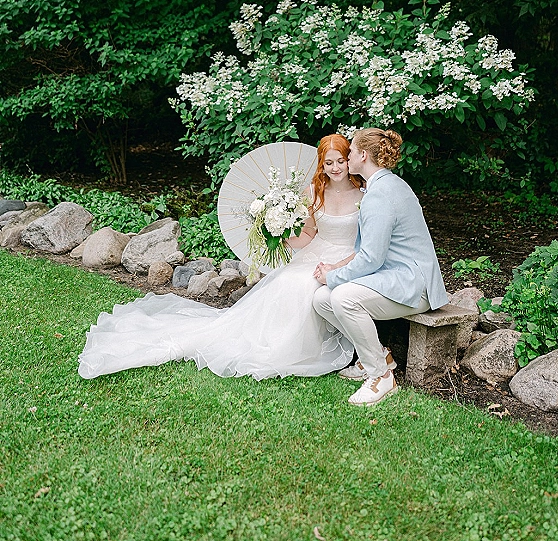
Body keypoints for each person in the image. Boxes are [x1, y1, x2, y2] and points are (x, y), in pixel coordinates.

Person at [78, 134, 365, 380]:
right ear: (321, 164)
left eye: (340, 160)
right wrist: (281, 230)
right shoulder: (313, 192)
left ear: (348, 160)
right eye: (329, 162)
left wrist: (339, 264)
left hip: (350, 254)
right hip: (317, 253)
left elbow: (368, 241)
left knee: (304, 285)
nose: (335, 167)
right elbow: (308, 237)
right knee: (289, 280)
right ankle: (272, 343)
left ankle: (302, 346)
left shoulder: (364, 193)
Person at [313, 128, 448, 406]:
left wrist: (334, 276)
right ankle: (377, 356)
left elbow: (371, 259)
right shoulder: (385, 184)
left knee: (342, 297)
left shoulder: (380, 194)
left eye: (350, 151)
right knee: (321, 300)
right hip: (395, 277)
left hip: (414, 284)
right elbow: (368, 252)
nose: (347, 156)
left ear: (362, 155)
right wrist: (334, 269)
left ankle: (381, 377)